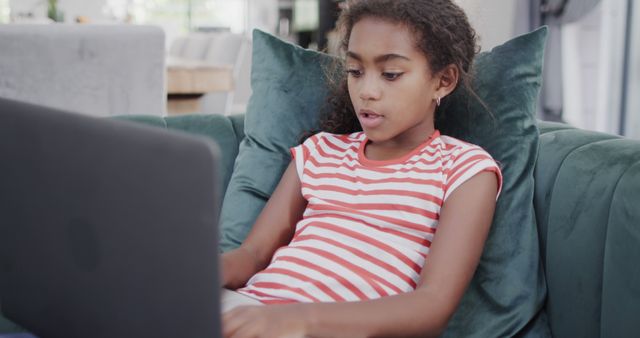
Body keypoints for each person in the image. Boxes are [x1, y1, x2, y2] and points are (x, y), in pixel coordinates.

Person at [221, 0, 502, 337]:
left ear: (443, 80)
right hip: (250, 311)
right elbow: (252, 255)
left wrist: (296, 320)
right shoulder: (321, 150)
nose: (366, 91)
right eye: (355, 71)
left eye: (391, 74)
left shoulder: (464, 169)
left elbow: (432, 305)